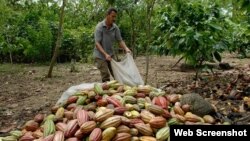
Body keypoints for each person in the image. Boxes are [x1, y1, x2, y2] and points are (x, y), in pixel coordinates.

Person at [93, 7, 131, 82]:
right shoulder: (99, 27)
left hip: (110, 54)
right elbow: (97, 44)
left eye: (115, 17)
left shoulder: (115, 28)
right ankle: (106, 92)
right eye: (112, 16)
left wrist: (126, 48)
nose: (114, 19)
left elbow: (120, 40)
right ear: (107, 15)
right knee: (105, 75)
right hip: (100, 55)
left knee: (117, 73)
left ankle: (119, 91)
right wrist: (105, 54)